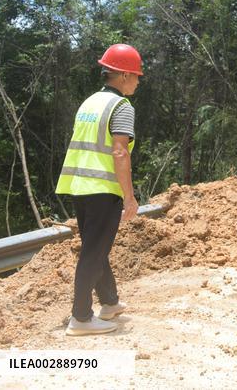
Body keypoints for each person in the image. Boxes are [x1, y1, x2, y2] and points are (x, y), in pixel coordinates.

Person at [56, 43, 142, 336]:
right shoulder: (121, 106)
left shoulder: (90, 103)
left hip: (80, 185)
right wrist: (129, 196)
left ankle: (109, 303)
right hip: (103, 188)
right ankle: (81, 318)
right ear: (124, 75)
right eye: (136, 75)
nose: (138, 81)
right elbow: (120, 152)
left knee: (97, 247)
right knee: (94, 251)